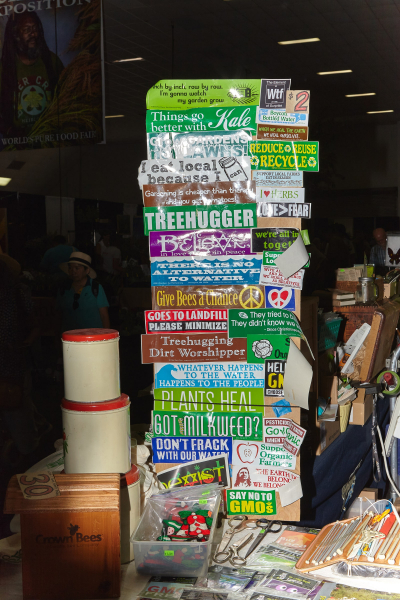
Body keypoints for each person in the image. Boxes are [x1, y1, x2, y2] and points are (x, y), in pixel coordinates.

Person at [0, 251, 41, 461]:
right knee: (17, 406)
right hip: (14, 361)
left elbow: (33, 324)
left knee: (17, 406)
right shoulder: (19, 292)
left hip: (12, 361)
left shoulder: (18, 293)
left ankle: (26, 452)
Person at [0, 11, 64, 137]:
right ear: (15, 35)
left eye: (35, 29)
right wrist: (9, 131)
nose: (33, 34)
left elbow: (68, 97)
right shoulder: (4, 68)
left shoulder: (51, 61)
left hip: (50, 142)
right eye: (27, 30)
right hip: (17, 147)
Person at [56, 252, 110, 333]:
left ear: (87, 270)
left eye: (77, 268)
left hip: (93, 338)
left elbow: (104, 316)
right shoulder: (63, 289)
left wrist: (106, 337)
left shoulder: (96, 288)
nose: (73, 271)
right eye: (70, 268)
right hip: (70, 339)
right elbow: (58, 315)